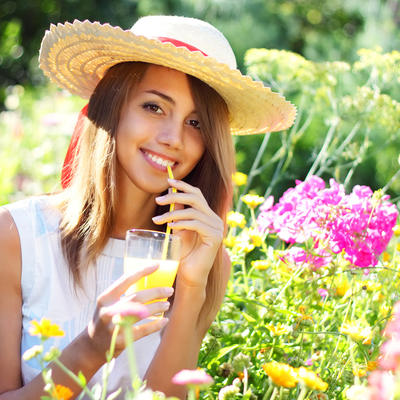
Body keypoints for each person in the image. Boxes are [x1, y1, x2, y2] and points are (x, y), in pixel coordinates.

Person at [0, 15, 295, 400]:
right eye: (154, 107)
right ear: (112, 106)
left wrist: (191, 287)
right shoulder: (17, 237)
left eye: (196, 123)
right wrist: (92, 347)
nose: (173, 138)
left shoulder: (205, 261)